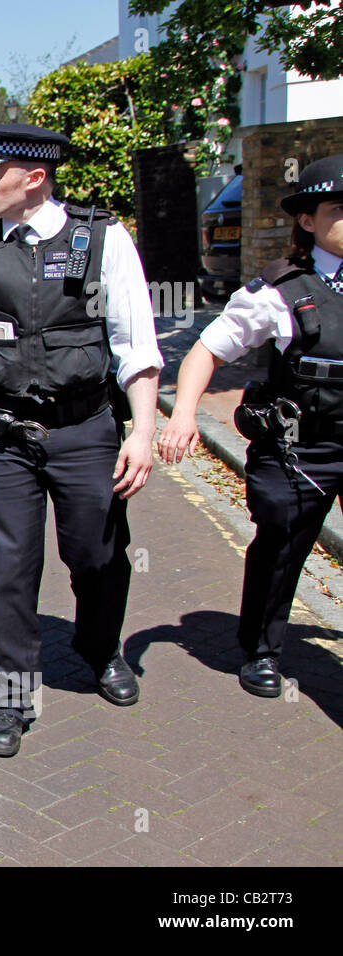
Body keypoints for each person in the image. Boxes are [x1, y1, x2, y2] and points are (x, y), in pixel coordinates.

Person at [0, 124, 162, 758]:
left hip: (87, 430)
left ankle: (101, 647)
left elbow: (137, 346)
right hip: (3, 435)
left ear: (34, 177)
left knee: (99, 556)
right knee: (6, 568)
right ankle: (8, 694)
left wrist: (142, 431)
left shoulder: (102, 240)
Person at [159, 154, 343, 699]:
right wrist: (186, 414)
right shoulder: (280, 293)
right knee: (282, 544)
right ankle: (262, 648)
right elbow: (205, 350)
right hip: (302, 450)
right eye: (339, 208)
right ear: (307, 221)